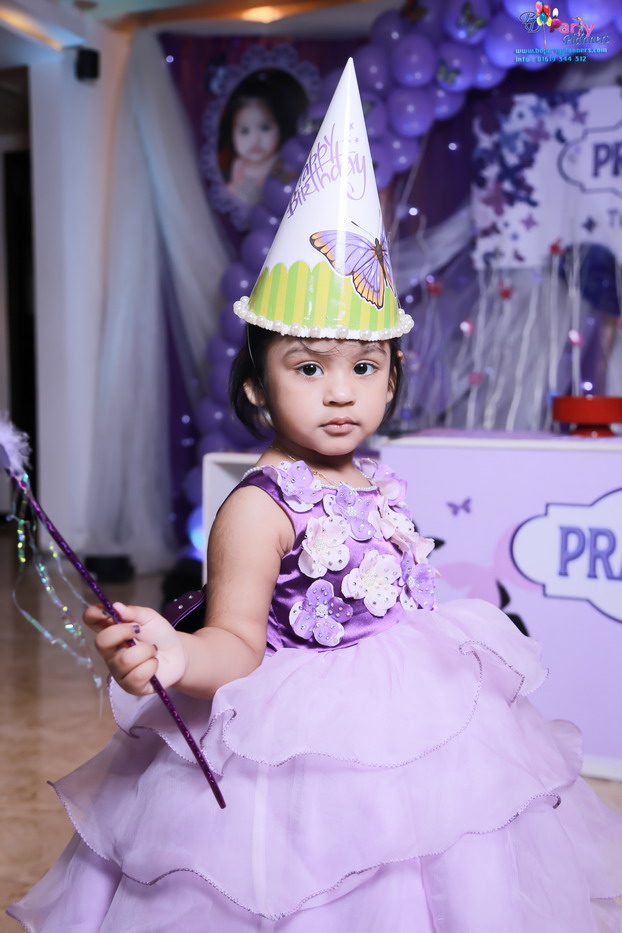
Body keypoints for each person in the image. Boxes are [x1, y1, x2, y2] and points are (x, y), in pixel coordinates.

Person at [8, 60, 622, 932]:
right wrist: (176, 655)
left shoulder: (375, 475)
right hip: (302, 751)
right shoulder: (259, 505)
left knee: (437, 865)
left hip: (410, 726)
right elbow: (235, 640)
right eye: (307, 367)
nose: (340, 392)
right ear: (256, 386)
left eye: (364, 367)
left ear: (393, 376)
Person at [218, 70, 304, 206]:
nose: (255, 140)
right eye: (244, 131)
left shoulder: (280, 165)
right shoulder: (238, 165)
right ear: (231, 133)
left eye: (265, 128)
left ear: (280, 127)